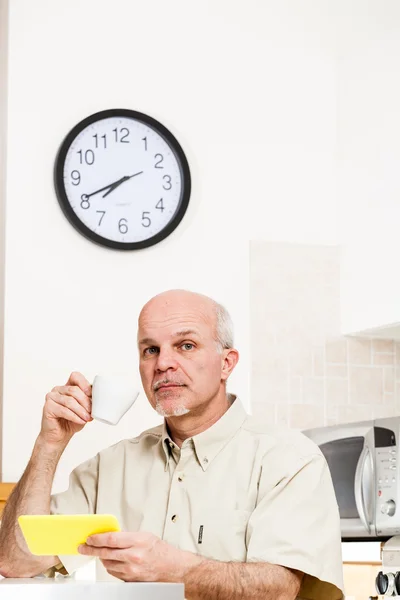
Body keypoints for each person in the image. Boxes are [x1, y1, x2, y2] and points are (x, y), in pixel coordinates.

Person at [0, 289, 344, 600]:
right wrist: (50, 443)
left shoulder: (289, 459)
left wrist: (174, 570)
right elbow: (16, 562)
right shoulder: (110, 466)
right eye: (151, 349)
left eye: (186, 345)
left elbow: (281, 589)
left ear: (227, 363)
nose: (163, 363)